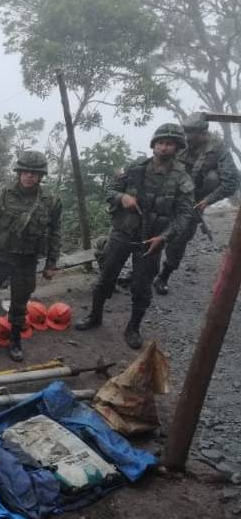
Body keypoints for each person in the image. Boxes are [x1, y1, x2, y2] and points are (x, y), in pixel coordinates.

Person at [76, 123, 195, 348]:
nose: (163, 147)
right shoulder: (134, 168)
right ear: (153, 145)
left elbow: (184, 215)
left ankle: (133, 328)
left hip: (152, 240)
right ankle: (95, 316)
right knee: (104, 279)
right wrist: (122, 198)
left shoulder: (182, 179)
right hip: (123, 233)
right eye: (160, 142)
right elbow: (110, 190)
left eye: (169, 144)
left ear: (177, 147)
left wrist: (164, 238)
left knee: (141, 289)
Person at [0, 150, 62, 362]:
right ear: (19, 172)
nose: (29, 176)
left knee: (20, 303)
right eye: (26, 171)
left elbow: (55, 232)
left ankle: (15, 339)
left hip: (26, 261)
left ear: (41, 176)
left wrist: (51, 262)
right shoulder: (1, 195)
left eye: (34, 173)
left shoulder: (50, 202)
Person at [153, 112, 239, 295]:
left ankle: (163, 276)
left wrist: (207, 201)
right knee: (153, 229)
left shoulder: (218, 149)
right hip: (171, 193)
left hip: (194, 200)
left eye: (193, 132)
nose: (189, 135)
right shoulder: (181, 143)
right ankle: (143, 270)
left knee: (178, 240)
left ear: (204, 131)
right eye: (187, 131)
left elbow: (231, 181)